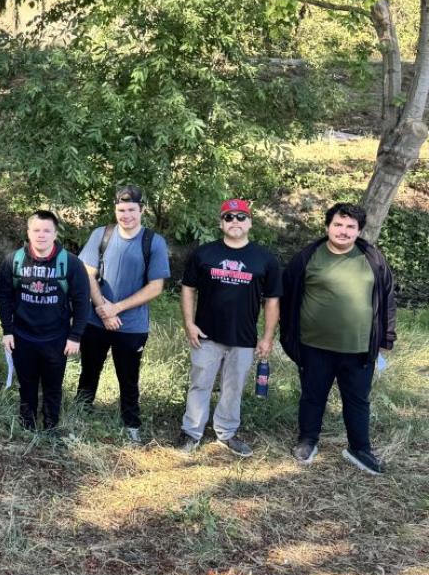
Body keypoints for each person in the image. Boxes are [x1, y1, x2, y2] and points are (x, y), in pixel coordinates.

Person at [281, 202, 396, 475]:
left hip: (359, 348)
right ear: (327, 227)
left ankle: (360, 448)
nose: (343, 231)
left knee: (358, 400)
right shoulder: (308, 257)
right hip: (314, 346)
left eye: (350, 226)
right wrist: (287, 335)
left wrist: (386, 339)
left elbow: (388, 298)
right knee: (312, 396)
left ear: (358, 231)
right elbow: (286, 296)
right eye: (338, 225)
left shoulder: (373, 259)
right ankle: (307, 440)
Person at [176, 199, 281, 457]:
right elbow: (188, 288)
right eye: (229, 217)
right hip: (206, 334)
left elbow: (272, 300)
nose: (235, 222)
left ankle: (226, 432)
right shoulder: (204, 254)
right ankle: (191, 432)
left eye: (241, 217)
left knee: (233, 387)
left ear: (250, 222)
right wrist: (189, 323)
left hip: (243, 337)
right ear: (221, 223)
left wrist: (267, 337)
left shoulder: (265, 258)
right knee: (200, 383)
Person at [76, 185, 170, 443]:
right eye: (121, 210)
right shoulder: (102, 234)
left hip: (132, 326)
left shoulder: (154, 242)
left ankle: (131, 425)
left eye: (131, 210)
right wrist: (103, 309)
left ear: (142, 210)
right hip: (96, 320)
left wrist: (116, 308)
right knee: (89, 371)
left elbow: (156, 286)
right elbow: (87, 273)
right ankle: (80, 416)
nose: (126, 215)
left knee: (128, 378)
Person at [0, 210, 91, 434]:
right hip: (22, 336)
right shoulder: (14, 261)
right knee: (26, 384)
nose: (41, 235)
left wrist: (75, 335)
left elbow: (81, 302)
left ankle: (50, 429)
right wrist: (7, 331)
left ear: (55, 233)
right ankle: (26, 426)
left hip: (56, 338)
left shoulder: (71, 263)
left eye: (47, 230)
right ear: (28, 232)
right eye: (36, 230)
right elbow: (3, 297)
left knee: (53, 387)